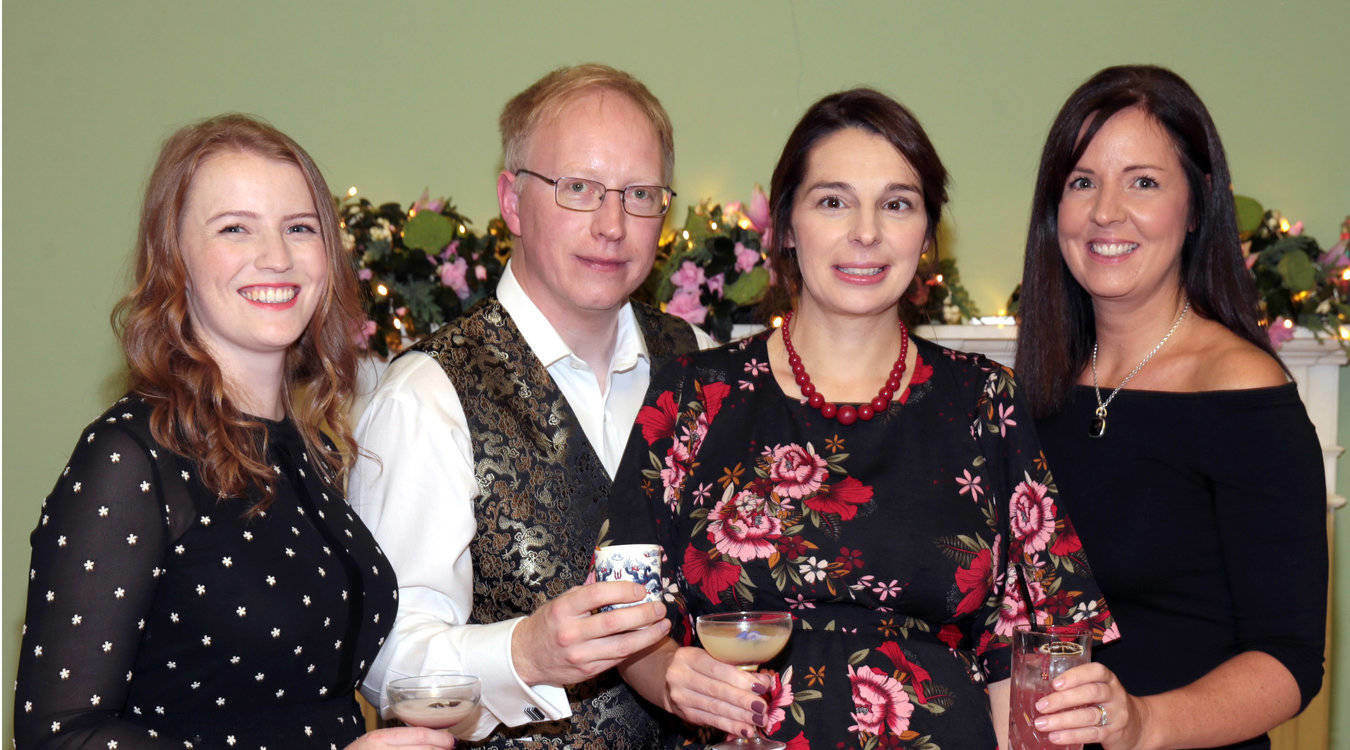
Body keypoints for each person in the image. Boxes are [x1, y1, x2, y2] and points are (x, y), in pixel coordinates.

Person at [607, 88, 1117, 749]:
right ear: (786, 227)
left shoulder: (986, 402)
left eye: (897, 204)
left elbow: (1030, 659)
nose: (867, 232)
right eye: (833, 201)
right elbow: (623, 619)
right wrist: (671, 672)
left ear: (928, 234)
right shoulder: (693, 393)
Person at [13, 114, 453, 749]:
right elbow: (60, 736)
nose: (276, 257)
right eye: (235, 229)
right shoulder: (130, 457)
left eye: (299, 228)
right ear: (176, 260)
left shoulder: (310, 450)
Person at [350, 64, 711, 748]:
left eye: (639, 194)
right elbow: (386, 660)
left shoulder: (701, 363)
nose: (612, 225)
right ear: (512, 202)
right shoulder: (427, 396)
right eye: (578, 189)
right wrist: (526, 654)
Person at [1015, 65, 1327, 749]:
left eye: (1144, 182)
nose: (1106, 212)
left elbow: (1289, 661)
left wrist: (1144, 724)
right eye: (1082, 182)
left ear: (1197, 203)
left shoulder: (1244, 393)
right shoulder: (1038, 384)